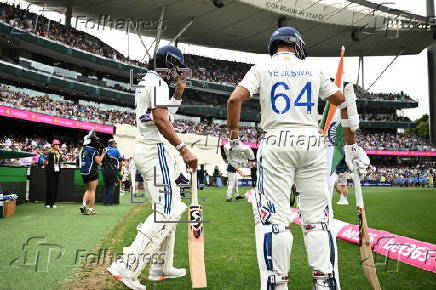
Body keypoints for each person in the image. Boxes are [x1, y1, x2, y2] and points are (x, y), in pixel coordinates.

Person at [226, 27, 370, 289]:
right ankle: (325, 282)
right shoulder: (313, 69)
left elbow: (235, 99)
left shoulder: (262, 67)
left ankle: (277, 284)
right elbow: (345, 101)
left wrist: (234, 139)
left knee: (275, 221)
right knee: (317, 220)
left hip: (276, 141)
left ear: (274, 46)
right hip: (311, 141)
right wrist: (351, 146)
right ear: (298, 45)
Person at [107, 45, 198, 290]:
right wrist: (183, 148)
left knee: (171, 208)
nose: (177, 72)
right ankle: (127, 265)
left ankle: (161, 267)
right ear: (167, 63)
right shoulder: (157, 83)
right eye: (176, 67)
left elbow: (165, 114)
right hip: (156, 149)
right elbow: (160, 120)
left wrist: (178, 92)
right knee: (167, 211)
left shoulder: (149, 81)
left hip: (149, 149)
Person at [79, 131, 107, 215]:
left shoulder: (83, 149)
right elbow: (98, 161)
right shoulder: (94, 150)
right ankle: (90, 210)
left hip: (84, 172)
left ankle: (83, 205)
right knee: (92, 191)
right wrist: (103, 154)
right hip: (92, 171)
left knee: (88, 189)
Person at [101, 139, 123, 206]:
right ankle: (109, 202)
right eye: (115, 143)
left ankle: (104, 202)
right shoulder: (115, 150)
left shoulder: (104, 150)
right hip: (112, 170)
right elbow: (120, 160)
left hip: (104, 169)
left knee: (106, 185)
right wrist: (120, 169)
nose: (115, 144)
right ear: (112, 144)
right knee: (111, 186)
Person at [43, 140, 62, 208]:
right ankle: (47, 203)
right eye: (56, 145)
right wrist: (47, 168)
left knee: (55, 187)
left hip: (57, 171)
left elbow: (60, 161)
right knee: (50, 187)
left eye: (58, 144)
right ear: (53, 145)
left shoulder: (59, 152)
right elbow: (45, 162)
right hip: (50, 171)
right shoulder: (50, 152)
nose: (57, 146)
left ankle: (53, 203)